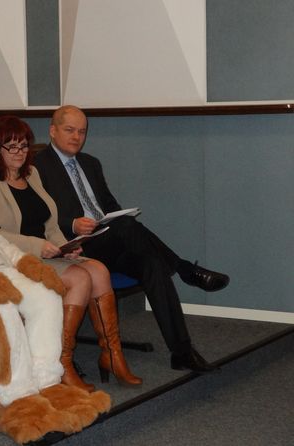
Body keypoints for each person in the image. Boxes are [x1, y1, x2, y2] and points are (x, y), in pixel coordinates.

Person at [34, 105, 230, 373]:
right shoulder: (38, 167)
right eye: (70, 130)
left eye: (82, 131)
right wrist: (72, 223)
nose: (77, 137)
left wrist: (114, 217)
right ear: (52, 130)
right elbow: (38, 214)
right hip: (76, 246)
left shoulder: (91, 164)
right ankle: (185, 269)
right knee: (126, 225)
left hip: (109, 239)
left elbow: (109, 206)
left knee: (151, 264)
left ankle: (182, 352)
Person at [0, 115, 142, 390]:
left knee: (99, 270)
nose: (19, 152)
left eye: (24, 146)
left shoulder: (32, 174)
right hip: (16, 257)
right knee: (80, 278)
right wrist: (38, 245)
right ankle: (62, 361)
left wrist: (67, 245)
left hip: (48, 251)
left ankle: (112, 354)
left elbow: (50, 224)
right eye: (11, 146)